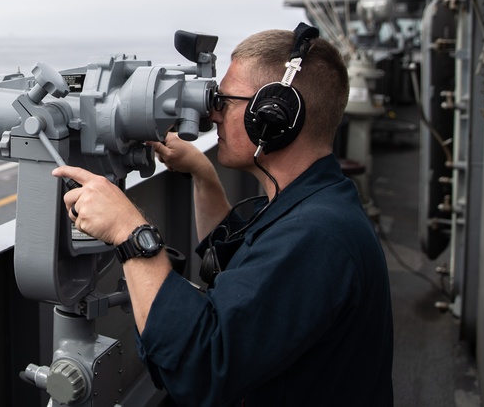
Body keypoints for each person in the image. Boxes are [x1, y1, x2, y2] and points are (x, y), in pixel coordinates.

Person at [54, 27, 393, 407]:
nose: (212, 112)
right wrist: (203, 175)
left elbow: (200, 366)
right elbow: (238, 271)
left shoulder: (317, 236)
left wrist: (130, 232)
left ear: (273, 117)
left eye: (226, 101)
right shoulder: (312, 202)